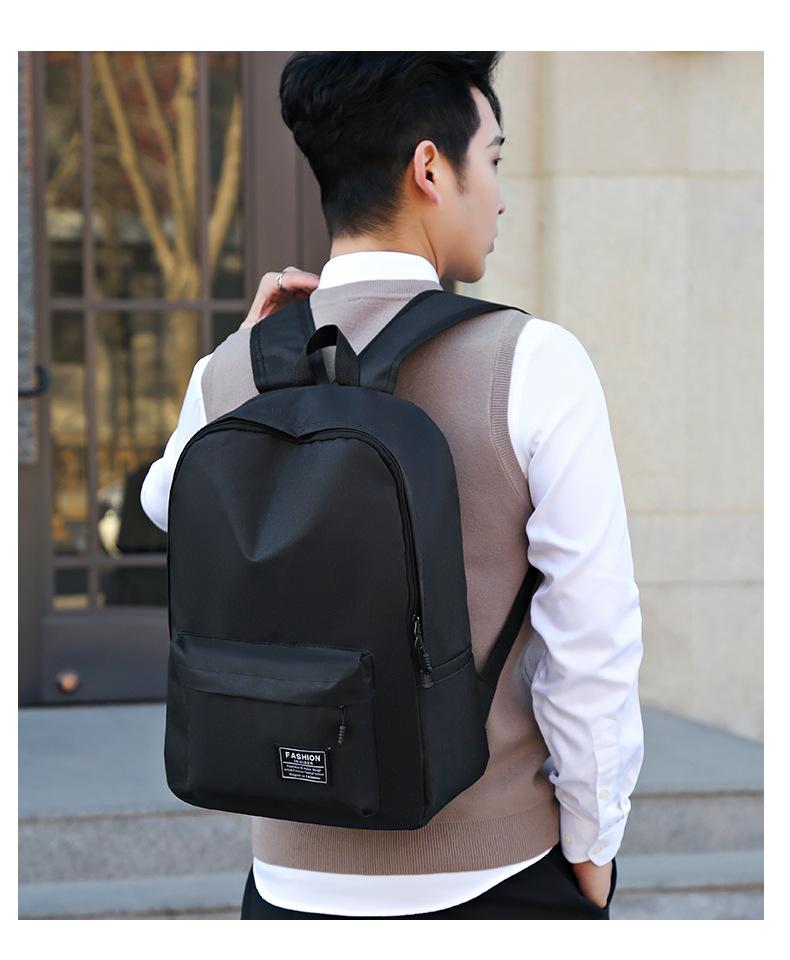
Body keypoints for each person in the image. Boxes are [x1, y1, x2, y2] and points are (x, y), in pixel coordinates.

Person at [140, 52, 643, 920]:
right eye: (493, 159)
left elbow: (163, 503)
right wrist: (594, 851)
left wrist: (234, 358)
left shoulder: (235, 368)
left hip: (285, 886)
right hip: (492, 874)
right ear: (429, 169)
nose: (500, 196)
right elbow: (592, 641)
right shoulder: (532, 361)